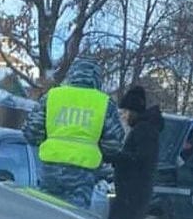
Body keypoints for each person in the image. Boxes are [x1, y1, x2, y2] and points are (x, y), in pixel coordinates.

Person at [22, 56, 125, 209]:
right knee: (74, 216)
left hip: (50, 169)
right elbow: (114, 145)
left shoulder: (52, 96)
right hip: (83, 174)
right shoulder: (104, 103)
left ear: (72, 75)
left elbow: (31, 131)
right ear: (97, 78)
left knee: (46, 212)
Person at [108, 85, 164, 219]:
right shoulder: (145, 128)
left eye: (126, 112)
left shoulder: (144, 130)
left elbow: (139, 159)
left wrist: (115, 157)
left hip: (132, 191)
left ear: (134, 111)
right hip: (133, 191)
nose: (124, 117)